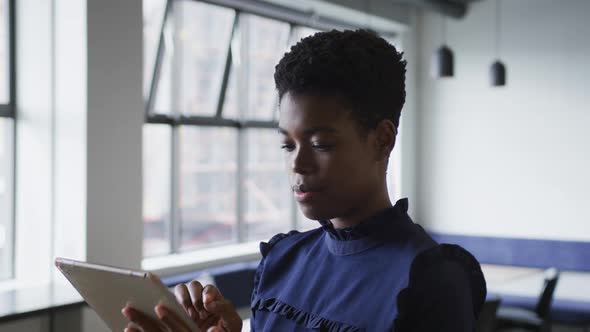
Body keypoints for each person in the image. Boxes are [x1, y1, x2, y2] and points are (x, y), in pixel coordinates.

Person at [122, 29, 486, 332]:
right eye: (287, 144)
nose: (298, 163)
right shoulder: (283, 260)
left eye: (320, 144)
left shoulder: (430, 279)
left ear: (382, 139)